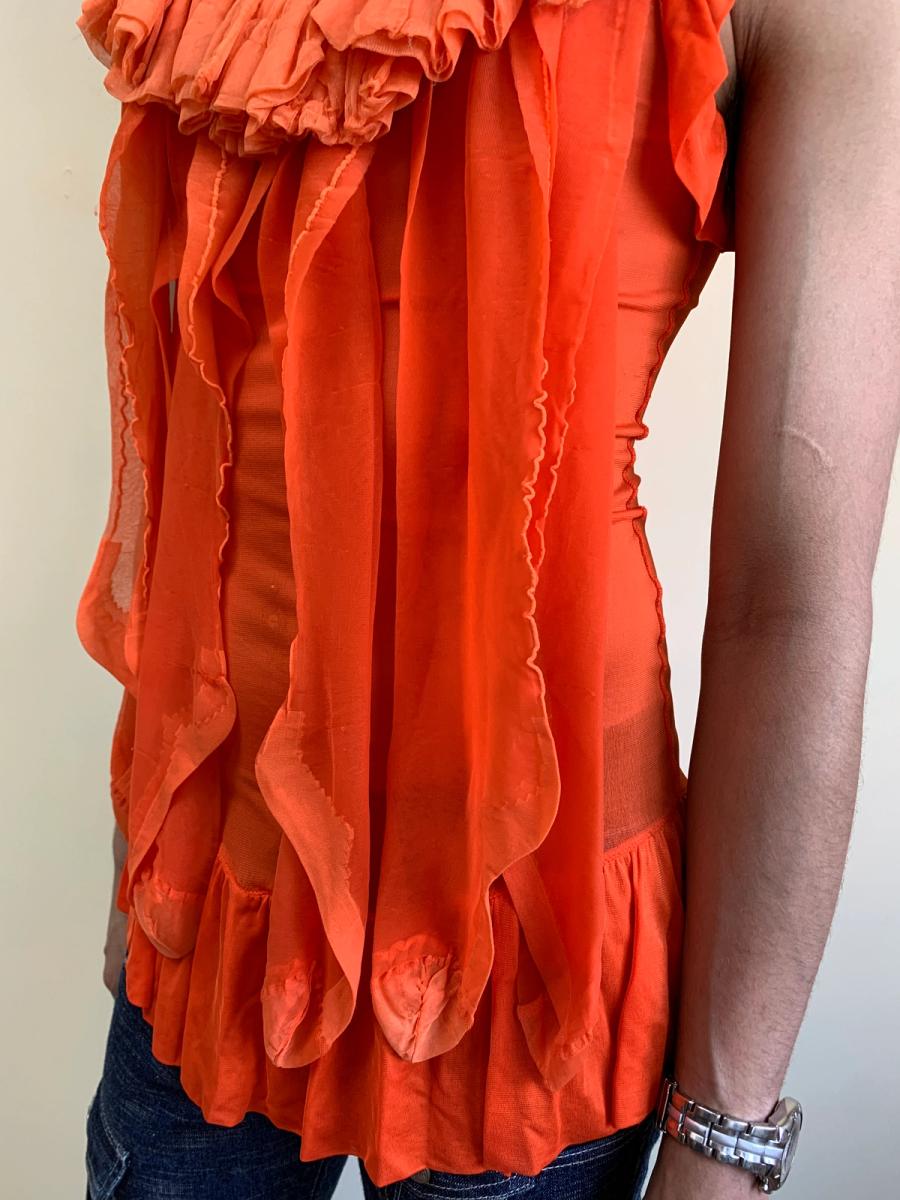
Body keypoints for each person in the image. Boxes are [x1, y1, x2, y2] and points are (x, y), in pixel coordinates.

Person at [78, 0, 900, 1197]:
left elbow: (793, 589)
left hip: (533, 981)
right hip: (204, 925)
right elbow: (195, 415)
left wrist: (723, 1139)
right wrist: (135, 844)